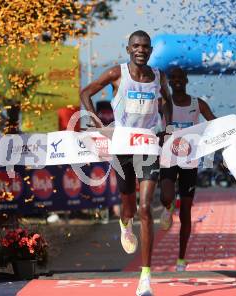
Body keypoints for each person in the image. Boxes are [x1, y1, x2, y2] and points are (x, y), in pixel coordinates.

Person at [80, 30, 173, 296]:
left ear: (151, 50)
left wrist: (165, 125)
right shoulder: (116, 73)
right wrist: (98, 123)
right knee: (129, 203)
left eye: (145, 46)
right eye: (136, 46)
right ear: (128, 48)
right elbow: (85, 93)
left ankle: (145, 277)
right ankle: (124, 224)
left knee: (145, 207)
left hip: (147, 144)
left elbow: (165, 100)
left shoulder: (158, 76)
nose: (141, 50)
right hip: (122, 145)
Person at [159, 66, 216, 271]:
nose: (176, 81)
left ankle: (181, 258)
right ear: (168, 82)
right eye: (172, 78)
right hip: (168, 158)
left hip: (189, 162)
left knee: (186, 212)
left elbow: (217, 125)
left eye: (179, 77)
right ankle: (167, 206)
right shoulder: (163, 103)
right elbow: (144, 119)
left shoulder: (197, 103)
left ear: (186, 80)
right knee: (166, 196)